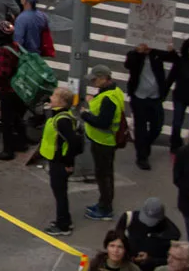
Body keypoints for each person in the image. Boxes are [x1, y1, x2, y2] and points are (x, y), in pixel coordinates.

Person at [82, 65, 126, 221]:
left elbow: (102, 122)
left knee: (104, 176)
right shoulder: (113, 92)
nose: (93, 82)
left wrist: (85, 114)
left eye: (95, 79)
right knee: (105, 175)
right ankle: (103, 204)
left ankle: (105, 208)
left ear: (103, 78)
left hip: (103, 142)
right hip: (104, 141)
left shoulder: (108, 99)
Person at [125, 40, 172, 170]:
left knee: (157, 125)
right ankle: (142, 157)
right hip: (139, 97)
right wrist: (138, 52)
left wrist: (170, 49)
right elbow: (128, 65)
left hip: (155, 97)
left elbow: (174, 59)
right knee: (140, 128)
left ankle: (144, 145)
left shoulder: (157, 54)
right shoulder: (134, 55)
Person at [39, 86, 80, 235]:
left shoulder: (62, 120)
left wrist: (68, 163)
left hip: (60, 163)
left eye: (54, 96)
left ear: (62, 102)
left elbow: (73, 142)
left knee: (60, 193)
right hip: (57, 161)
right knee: (60, 192)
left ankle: (63, 226)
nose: (51, 98)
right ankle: (65, 220)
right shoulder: (60, 115)